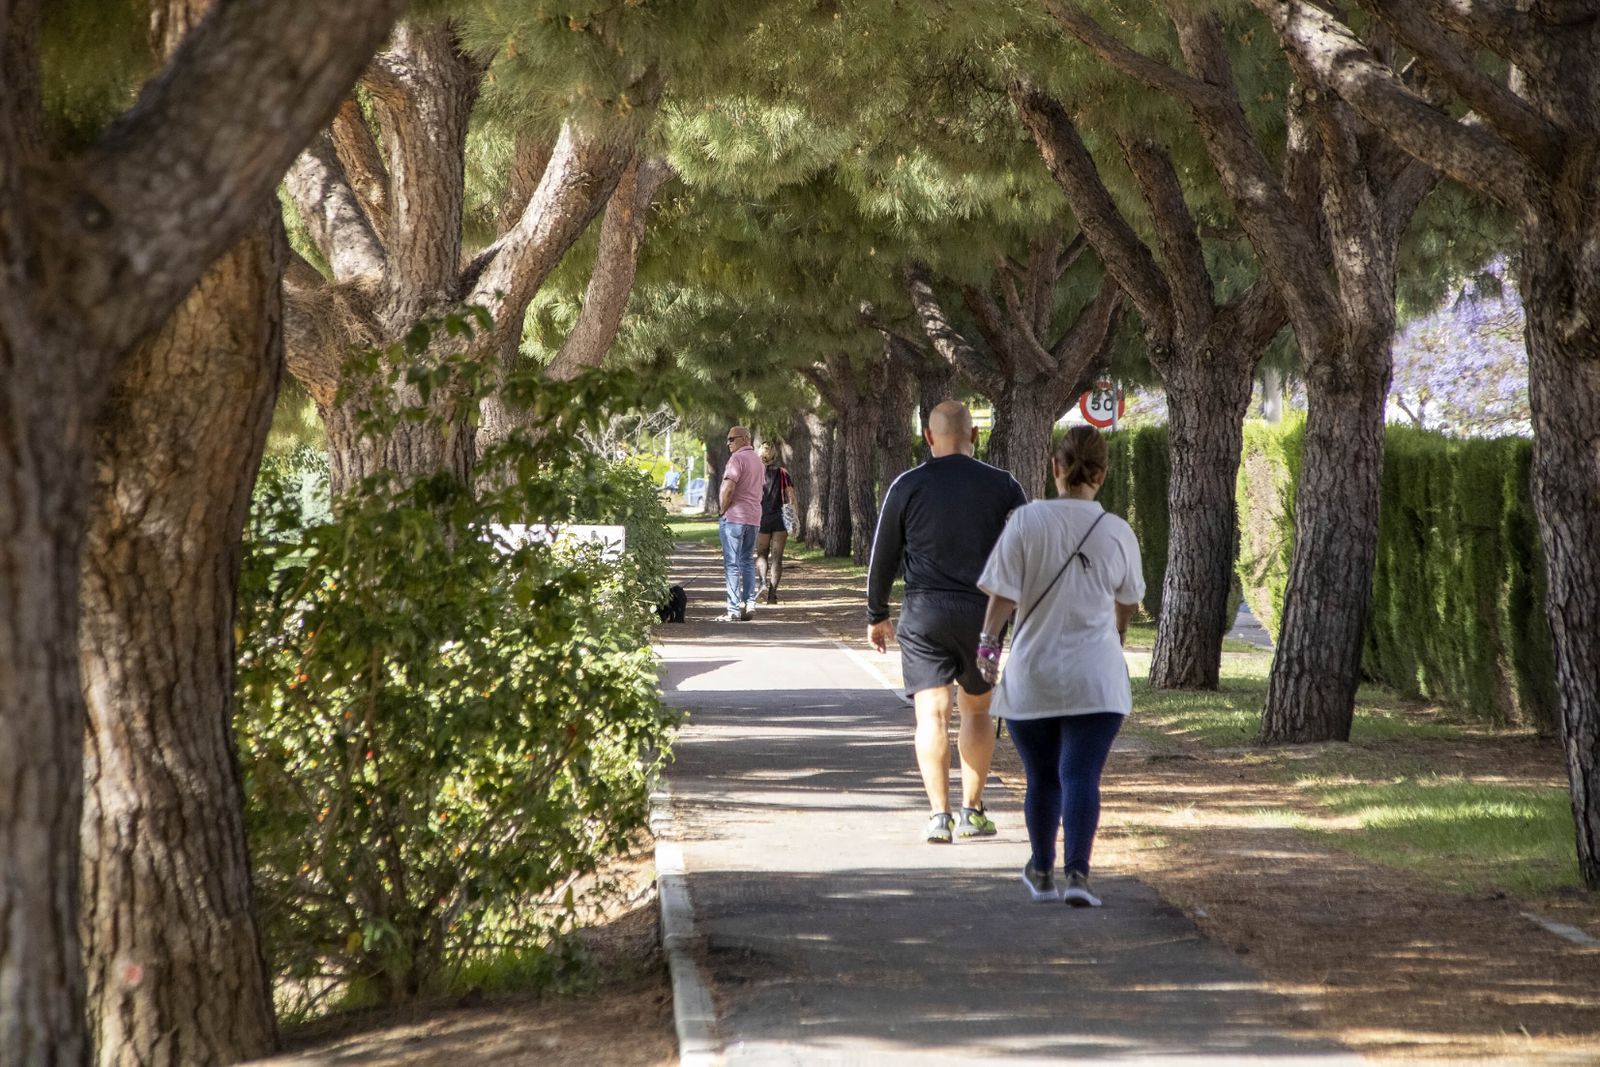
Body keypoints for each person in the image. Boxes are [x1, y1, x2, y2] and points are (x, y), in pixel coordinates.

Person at [975, 425, 1144, 906]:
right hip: (1097, 678)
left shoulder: (1027, 522)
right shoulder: (1117, 530)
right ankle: (1079, 875)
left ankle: (1041, 870)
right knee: (1081, 774)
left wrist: (988, 648)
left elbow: (1003, 596)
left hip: (1035, 673)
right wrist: (1119, 630)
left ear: (1055, 467)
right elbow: (1128, 600)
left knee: (1043, 777)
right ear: (1103, 474)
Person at [866, 400, 1028, 844]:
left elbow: (883, 557)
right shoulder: (1005, 486)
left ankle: (939, 816)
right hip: (986, 615)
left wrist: (877, 614)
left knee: (932, 715)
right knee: (977, 709)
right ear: (974, 436)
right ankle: (972, 810)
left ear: (929, 437)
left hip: (925, 613)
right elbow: (1022, 550)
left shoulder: (907, 485)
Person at [716, 426, 764, 622]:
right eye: (727, 439)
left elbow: (728, 489)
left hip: (735, 517)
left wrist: (722, 510)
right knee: (747, 561)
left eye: (731, 439)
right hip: (753, 518)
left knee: (732, 563)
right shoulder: (758, 461)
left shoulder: (737, 459)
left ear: (744, 439)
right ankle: (750, 602)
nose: (728, 443)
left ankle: (733, 609)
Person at [756, 441, 796, 604]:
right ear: (775, 455)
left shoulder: (755, 473)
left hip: (761, 518)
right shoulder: (782, 472)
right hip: (779, 519)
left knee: (762, 554)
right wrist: (794, 517)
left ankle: (763, 584)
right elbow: (791, 497)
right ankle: (772, 594)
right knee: (777, 558)